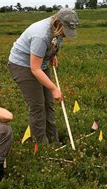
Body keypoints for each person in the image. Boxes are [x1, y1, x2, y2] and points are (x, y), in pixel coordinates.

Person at [8, 8, 79, 144]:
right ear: (58, 24)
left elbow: (53, 43)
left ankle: (53, 141)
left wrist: (52, 55)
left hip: (40, 65)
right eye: (65, 30)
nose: (65, 35)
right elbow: (35, 69)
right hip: (23, 66)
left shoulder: (56, 30)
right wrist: (54, 89)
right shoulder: (40, 35)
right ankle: (42, 145)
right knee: (38, 106)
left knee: (49, 104)